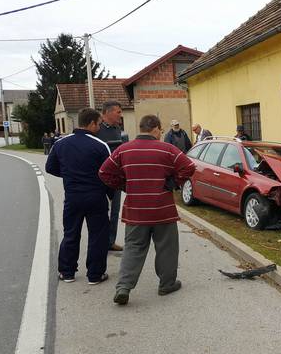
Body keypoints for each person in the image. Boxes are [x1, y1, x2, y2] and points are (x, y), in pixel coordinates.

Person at [99, 114, 196, 305]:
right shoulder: (168, 149)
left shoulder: (123, 150)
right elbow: (189, 167)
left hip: (136, 210)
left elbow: (104, 172)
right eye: (160, 130)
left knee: (133, 248)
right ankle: (166, 284)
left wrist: (124, 185)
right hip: (163, 209)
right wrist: (173, 182)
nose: (161, 133)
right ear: (156, 129)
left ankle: (124, 287)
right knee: (166, 248)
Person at [45, 108, 110, 285]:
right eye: (98, 124)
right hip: (96, 196)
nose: (99, 127)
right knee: (98, 235)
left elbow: (50, 167)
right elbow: (108, 173)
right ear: (91, 123)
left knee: (71, 233)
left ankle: (67, 272)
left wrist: (68, 175)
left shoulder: (60, 144)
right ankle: (95, 275)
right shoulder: (100, 145)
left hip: (73, 196)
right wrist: (109, 194)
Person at [95, 100, 126, 252]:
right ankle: (100, 242)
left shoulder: (118, 129)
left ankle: (110, 241)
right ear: (107, 112)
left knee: (114, 212)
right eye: (118, 112)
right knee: (101, 212)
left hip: (116, 178)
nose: (121, 115)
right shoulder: (96, 129)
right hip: (100, 179)